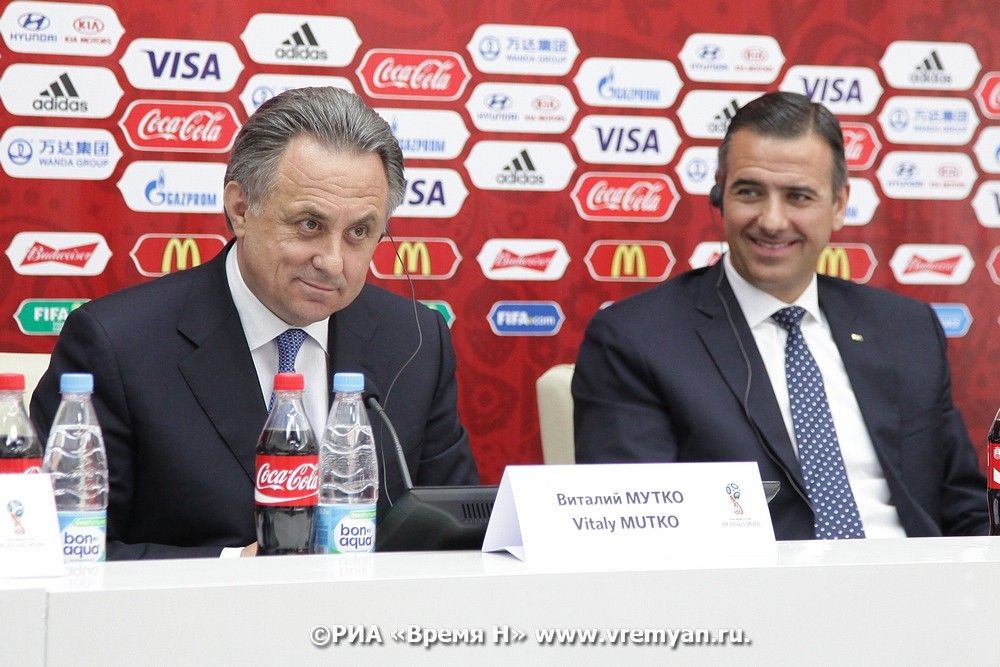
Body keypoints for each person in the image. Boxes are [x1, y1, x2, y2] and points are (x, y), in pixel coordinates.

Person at [31, 87, 479, 559]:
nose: (332, 261)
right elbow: (52, 546)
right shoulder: (116, 345)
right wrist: (232, 569)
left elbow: (456, 534)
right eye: (309, 224)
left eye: (359, 232)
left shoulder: (414, 340)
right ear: (241, 208)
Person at [573, 91, 987, 540]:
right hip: (745, 582)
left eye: (798, 196)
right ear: (719, 193)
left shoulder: (906, 329)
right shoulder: (637, 340)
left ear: (838, 204)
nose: (772, 221)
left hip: (916, 578)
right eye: (749, 192)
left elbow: (967, 512)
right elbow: (636, 535)